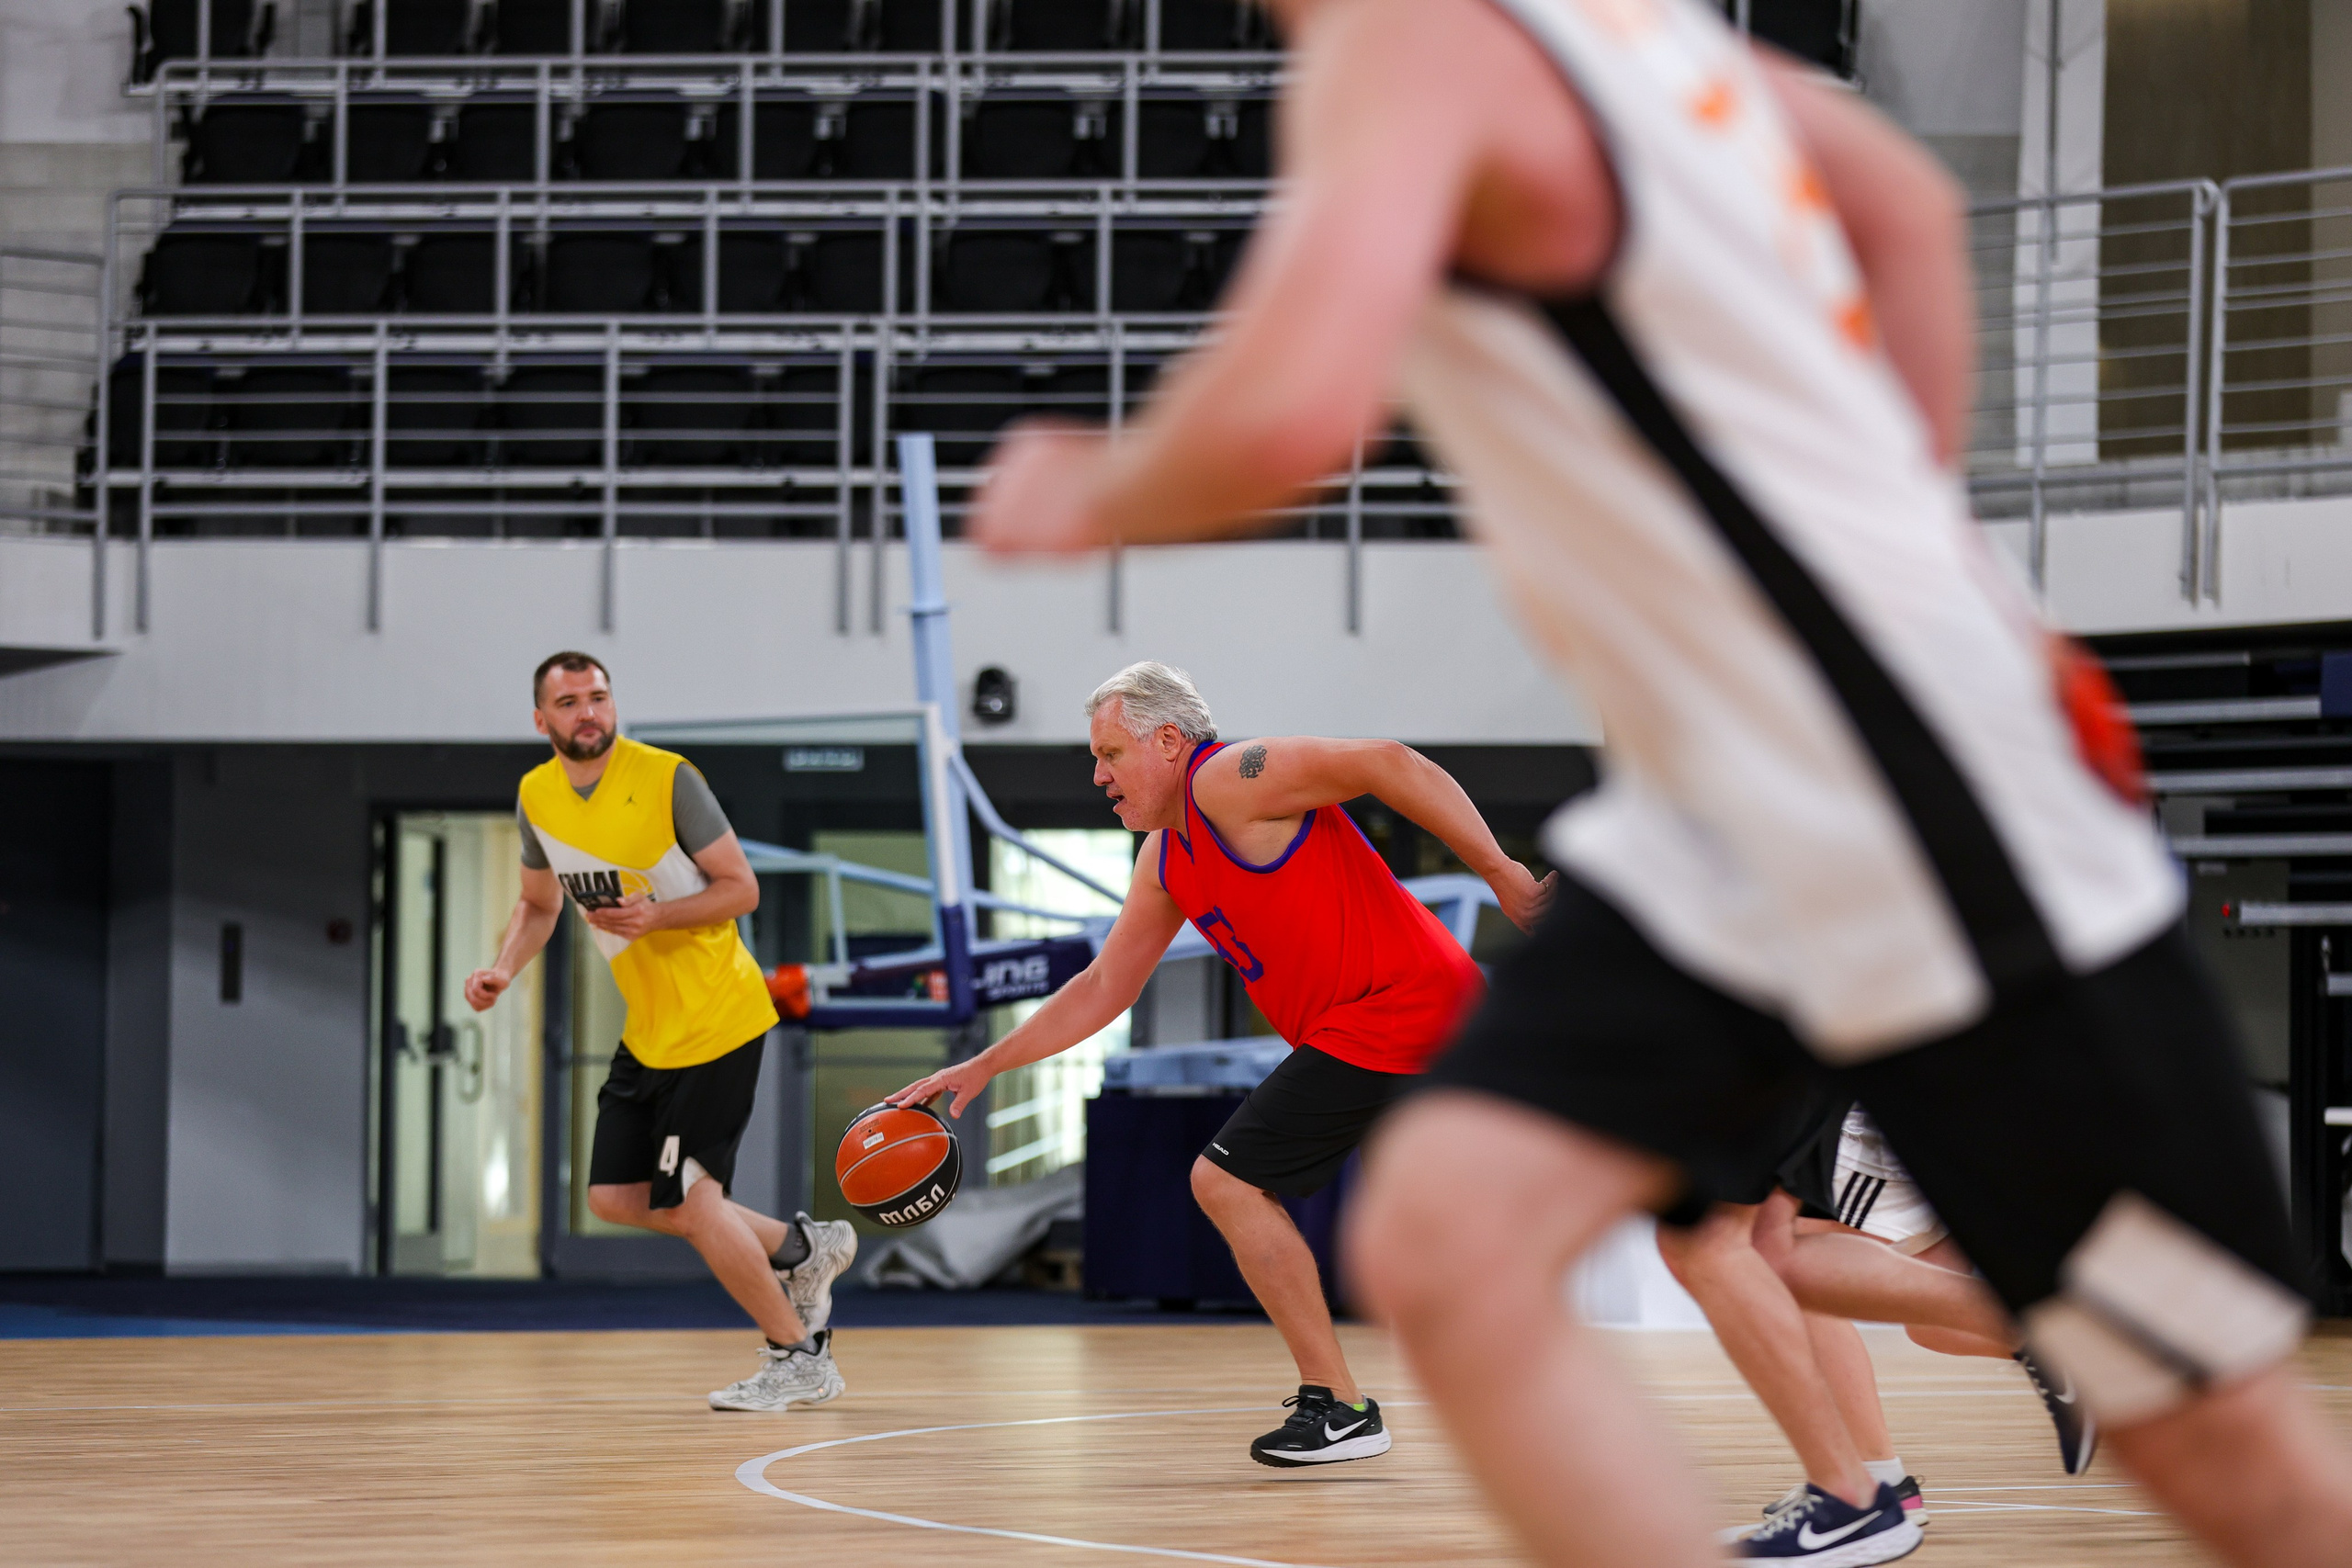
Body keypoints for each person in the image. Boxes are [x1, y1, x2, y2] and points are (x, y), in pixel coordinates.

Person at [958, 0, 2352, 1561]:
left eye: (1103, 751)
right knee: (1518, 1224)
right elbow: (1898, 197)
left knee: (2225, 1453)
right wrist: (1912, 523)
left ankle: (2035, 1350)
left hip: (1891, 768)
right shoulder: (1657, 43)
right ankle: (1874, 1480)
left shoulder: (1404, 48)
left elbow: (1287, 417)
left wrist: (1084, 482)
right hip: (1748, 792)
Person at [887, 660, 1550, 1467]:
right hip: (1379, 1030)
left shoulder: (1228, 780)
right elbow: (1104, 986)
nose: (1097, 776)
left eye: (1110, 754)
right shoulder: (1166, 859)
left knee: (1225, 1179)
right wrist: (986, 1064)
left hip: (1398, 1011)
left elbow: (1389, 762)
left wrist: (1504, 875)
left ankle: (1340, 1403)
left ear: (1168, 740)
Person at [464, 651, 859, 1413]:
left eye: (600, 697)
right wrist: (503, 969)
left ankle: (798, 1356)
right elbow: (539, 904)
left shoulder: (667, 777)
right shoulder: (537, 795)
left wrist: (657, 915)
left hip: (719, 1015)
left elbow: (739, 887)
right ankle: (805, 1249)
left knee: (695, 1200)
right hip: (649, 1030)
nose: (590, 712)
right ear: (541, 720)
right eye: (571, 701)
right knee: (615, 1196)